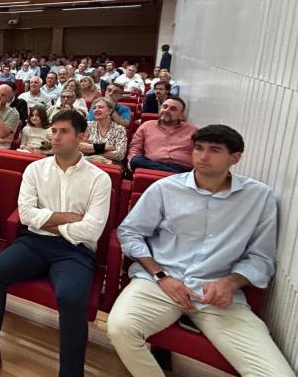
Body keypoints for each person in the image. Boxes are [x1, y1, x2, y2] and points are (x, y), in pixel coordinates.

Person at [108, 125, 293, 376]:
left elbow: (261, 257)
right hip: (161, 283)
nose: (203, 156)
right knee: (121, 328)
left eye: (214, 150)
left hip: (217, 294)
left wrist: (230, 283)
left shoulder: (259, 198)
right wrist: (160, 275)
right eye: (198, 148)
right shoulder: (165, 188)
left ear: (235, 158)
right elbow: (130, 232)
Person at [0, 111, 111, 377]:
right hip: (35, 243)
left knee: (72, 297)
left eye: (63, 131)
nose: (55, 137)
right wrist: (67, 220)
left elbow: (92, 229)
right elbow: (26, 215)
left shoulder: (99, 179)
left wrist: (47, 221)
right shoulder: (35, 169)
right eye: (53, 131)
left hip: (75, 251)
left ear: (81, 137)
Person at [129, 96, 196, 173]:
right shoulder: (146, 126)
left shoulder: (192, 130)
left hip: (182, 167)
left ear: (181, 115)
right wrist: (132, 158)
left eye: (173, 109)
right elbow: (135, 147)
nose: (167, 110)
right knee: (135, 160)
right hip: (151, 166)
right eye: (165, 107)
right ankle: (175, 174)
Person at [80, 97, 127, 164]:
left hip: (110, 164)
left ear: (110, 111)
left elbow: (120, 154)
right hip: (88, 162)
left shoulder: (120, 129)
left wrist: (91, 150)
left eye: (100, 107)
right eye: (94, 108)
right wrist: (106, 147)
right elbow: (79, 146)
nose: (96, 110)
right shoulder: (87, 125)